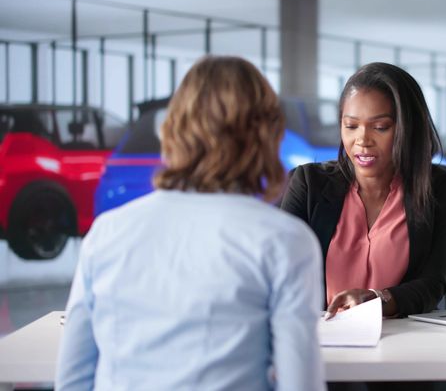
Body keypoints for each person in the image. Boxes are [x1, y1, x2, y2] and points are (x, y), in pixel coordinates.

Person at [56, 56, 325, 391]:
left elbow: (73, 380)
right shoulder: (284, 240)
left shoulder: (107, 231)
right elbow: (300, 385)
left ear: (172, 128)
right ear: (268, 134)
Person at [280, 62, 446, 319]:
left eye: (380, 127)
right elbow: (280, 273)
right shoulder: (308, 183)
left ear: (407, 129)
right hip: (322, 337)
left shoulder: (437, 186)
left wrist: (378, 300)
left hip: (402, 339)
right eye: (351, 126)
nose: (362, 140)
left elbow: (433, 283)